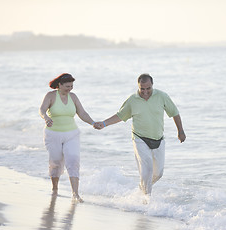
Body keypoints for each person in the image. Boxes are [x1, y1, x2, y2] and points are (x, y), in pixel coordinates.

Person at [94, 73, 186, 197]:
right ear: (138, 86)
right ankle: (147, 200)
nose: (145, 91)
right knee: (147, 169)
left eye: (148, 88)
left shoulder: (162, 96)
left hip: (158, 139)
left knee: (158, 173)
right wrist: (104, 123)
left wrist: (180, 131)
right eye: (142, 88)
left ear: (152, 85)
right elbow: (120, 116)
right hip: (139, 138)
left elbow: (174, 113)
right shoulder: (132, 100)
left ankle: (142, 187)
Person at [39, 73, 95, 202]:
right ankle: (55, 188)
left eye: (71, 86)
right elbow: (41, 110)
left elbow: (82, 113)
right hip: (53, 134)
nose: (70, 89)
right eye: (67, 86)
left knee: (74, 160)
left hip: (72, 134)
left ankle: (75, 194)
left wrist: (92, 123)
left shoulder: (73, 97)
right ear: (59, 85)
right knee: (56, 162)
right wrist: (46, 118)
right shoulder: (51, 96)